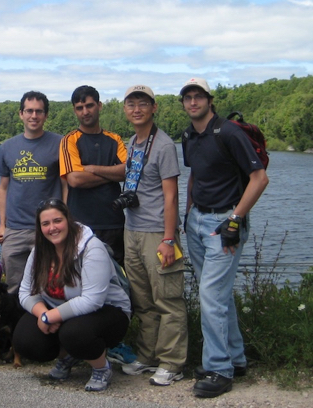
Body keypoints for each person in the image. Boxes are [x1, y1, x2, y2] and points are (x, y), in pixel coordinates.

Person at [180, 78, 268, 398]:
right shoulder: (188, 135)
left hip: (224, 222)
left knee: (210, 295)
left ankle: (219, 368)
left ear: (209, 100)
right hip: (197, 221)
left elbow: (259, 178)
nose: (193, 102)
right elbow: (194, 174)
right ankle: (236, 357)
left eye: (198, 96)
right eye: (187, 97)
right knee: (219, 295)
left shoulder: (228, 132)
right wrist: (188, 213)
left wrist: (235, 219)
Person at [12, 199, 131, 392]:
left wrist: (52, 316)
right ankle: (69, 356)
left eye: (57, 221)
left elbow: (93, 300)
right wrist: (43, 313)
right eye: (46, 223)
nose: (52, 228)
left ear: (68, 220)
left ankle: (101, 367)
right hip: (59, 310)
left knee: (75, 333)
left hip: (107, 311)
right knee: (25, 340)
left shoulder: (92, 248)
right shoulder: (39, 251)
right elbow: (25, 292)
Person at [117, 85, 188, 386]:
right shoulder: (133, 142)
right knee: (143, 299)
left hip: (158, 232)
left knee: (168, 299)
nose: (137, 109)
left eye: (142, 103)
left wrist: (169, 239)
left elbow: (171, 196)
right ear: (125, 109)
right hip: (132, 229)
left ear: (154, 107)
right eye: (131, 104)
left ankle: (172, 362)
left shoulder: (164, 146)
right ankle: (147, 356)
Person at [0, 91, 66, 295]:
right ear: (21, 114)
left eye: (39, 111)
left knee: (49, 285)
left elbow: (66, 185)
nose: (34, 116)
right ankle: (16, 325)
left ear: (46, 115)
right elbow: (4, 187)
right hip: (15, 229)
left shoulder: (60, 144)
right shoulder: (8, 147)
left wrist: (66, 219)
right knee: (14, 287)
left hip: (48, 229)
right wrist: (2, 225)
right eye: (29, 111)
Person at [60, 85, 127, 265]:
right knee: (81, 279)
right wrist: (112, 172)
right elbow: (75, 179)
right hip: (80, 225)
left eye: (89, 106)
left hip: (114, 223)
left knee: (118, 280)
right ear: (74, 110)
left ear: (99, 105)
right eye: (79, 108)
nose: (85, 112)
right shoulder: (69, 140)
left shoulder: (114, 139)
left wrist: (93, 169)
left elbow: (129, 171)